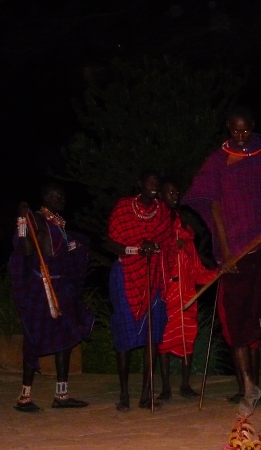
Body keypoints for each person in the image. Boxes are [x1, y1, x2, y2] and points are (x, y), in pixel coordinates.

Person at [183, 106, 261, 421]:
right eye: (235, 130)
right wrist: (224, 253)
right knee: (237, 322)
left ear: (253, 125)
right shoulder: (218, 160)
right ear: (228, 127)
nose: (240, 135)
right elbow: (213, 206)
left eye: (245, 129)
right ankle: (250, 388)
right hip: (236, 251)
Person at [9, 183, 94, 412]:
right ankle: (24, 397)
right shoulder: (36, 219)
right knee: (34, 337)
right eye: (56, 196)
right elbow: (27, 250)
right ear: (45, 197)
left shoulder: (58, 223)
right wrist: (21, 220)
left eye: (62, 196)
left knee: (66, 338)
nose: (61, 199)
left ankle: (61, 395)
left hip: (62, 286)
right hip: (41, 286)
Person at [105, 170, 174, 412]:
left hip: (153, 278)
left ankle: (146, 393)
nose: (154, 185)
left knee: (152, 337)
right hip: (126, 274)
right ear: (139, 183)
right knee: (124, 334)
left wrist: (154, 248)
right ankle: (124, 394)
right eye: (150, 181)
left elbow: (167, 244)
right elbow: (111, 243)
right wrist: (136, 250)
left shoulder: (163, 211)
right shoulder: (124, 207)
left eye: (157, 182)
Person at [156, 178, 216, 400]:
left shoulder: (184, 222)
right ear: (160, 195)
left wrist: (215, 271)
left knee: (187, 336)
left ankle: (185, 384)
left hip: (187, 289)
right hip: (167, 289)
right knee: (164, 338)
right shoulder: (157, 221)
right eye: (169, 192)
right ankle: (165, 387)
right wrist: (172, 245)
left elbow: (195, 261)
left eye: (176, 192)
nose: (174, 195)